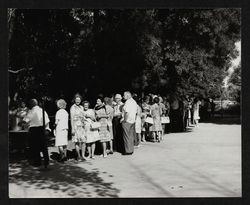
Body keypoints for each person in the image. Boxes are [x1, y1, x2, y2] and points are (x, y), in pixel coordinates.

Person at [23, 99, 50, 168]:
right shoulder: (42, 110)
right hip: (41, 129)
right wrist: (47, 129)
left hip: (33, 130)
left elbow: (26, 120)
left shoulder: (31, 111)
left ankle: (38, 162)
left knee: (35, 146)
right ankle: (46, 161)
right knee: (44, 146)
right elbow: (47, 121)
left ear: (32, 104)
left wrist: (21, 123)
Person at [70, 94, 86, 161]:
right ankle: (78, 156)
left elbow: (83, 116)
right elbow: (71, 118)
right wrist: (72, 128)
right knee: (76, 142)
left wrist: (84, 122)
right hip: (75, 126)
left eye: (79, 100)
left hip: (82, 126)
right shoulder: (72, 107)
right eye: (76, 100)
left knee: (83, 141)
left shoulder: (82, 107)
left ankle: (83, 155)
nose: (78, 101)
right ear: (74, 100)